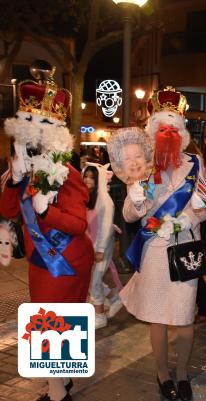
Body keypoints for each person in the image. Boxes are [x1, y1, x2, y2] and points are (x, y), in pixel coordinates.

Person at [0, 75, 94, 401]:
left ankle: (57, 393)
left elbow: (77, 223)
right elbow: (8, 208)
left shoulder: (66, 173)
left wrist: (46, 211)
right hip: (41, 260)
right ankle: (62, 382)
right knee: (51, 322)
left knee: (51, 323)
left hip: (68, 260)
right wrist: (14, 178)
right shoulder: (23, 169)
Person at [116, 87, 206, 401]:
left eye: (172, 129)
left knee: (183, 320)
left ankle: (182, 373)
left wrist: (189, 219)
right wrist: (136, 196)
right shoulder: (144, 165)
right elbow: (129, 215)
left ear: (181, 132)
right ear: (153, 132)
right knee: (157, 317)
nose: (167, 134)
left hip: (185, 249)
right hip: (155, 248)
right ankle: (162, 373)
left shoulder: (195, 163)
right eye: (161, 129)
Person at [82, 163, 122, 329]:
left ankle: (99, 315)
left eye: (92, 177)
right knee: (93, 278)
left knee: (95, 280)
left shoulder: (104, 199)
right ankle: (114, 297)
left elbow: (105, 228)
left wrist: (99, 250)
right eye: (86, 176)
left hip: (101, 246)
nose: (88, 180)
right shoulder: (87, 196)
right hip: (90, 245)